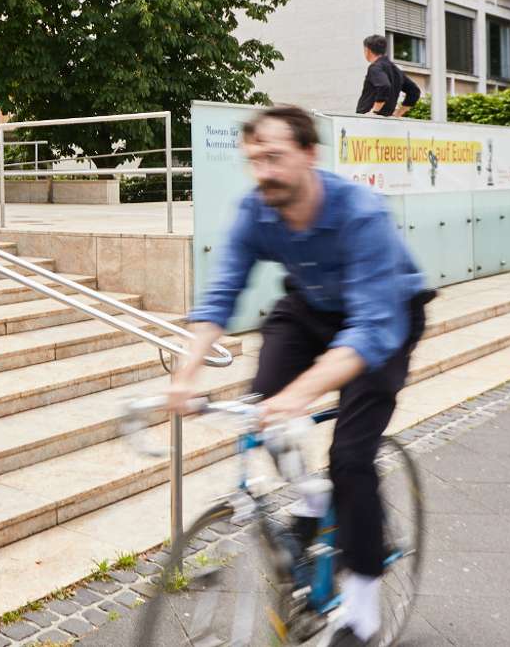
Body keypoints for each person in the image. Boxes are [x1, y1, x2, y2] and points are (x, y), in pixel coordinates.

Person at [166, 106, 432, 647]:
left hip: (386, 317)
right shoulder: (258, 210)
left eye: (275, 158)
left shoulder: (359, 213)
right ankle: (313, 500)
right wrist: (185, 375)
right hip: (309, 308)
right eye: (254, 160)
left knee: (352, 458)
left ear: (310, 155)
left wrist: (300, 393)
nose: (262, 171)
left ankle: (361, 611)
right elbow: (221, 294)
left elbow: (371, 329)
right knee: (260, 408)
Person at [355, 34, 420, 117]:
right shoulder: (395, 69)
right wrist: (398, 113)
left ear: (367, 50)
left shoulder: (375, 67)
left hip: (368, 120)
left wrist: (374, 112)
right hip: (386, 120)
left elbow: (384, 85)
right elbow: (414, 91)